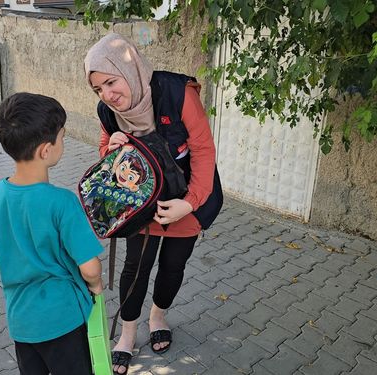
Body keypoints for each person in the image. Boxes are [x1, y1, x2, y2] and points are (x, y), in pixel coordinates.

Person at [84, 33, 223, 375]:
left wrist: (189, 204)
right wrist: (111, 148)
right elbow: (105, 150)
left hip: (186, 199)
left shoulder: (176, 93)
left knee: (173, 266)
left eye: (112, 82)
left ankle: (158, 316)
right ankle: (128, 333)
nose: (108, 95)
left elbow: (204, 151)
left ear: (128, 69)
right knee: (136, 267)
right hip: (140, 203)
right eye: (99, 89)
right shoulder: (108, 111)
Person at [0, 92, 104, 375]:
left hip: (21, 320)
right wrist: (96, 286)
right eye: (62, 137)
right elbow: (90, 267)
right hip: (63, 319)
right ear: (46, 150)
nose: (64, 143)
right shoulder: (62, 202)